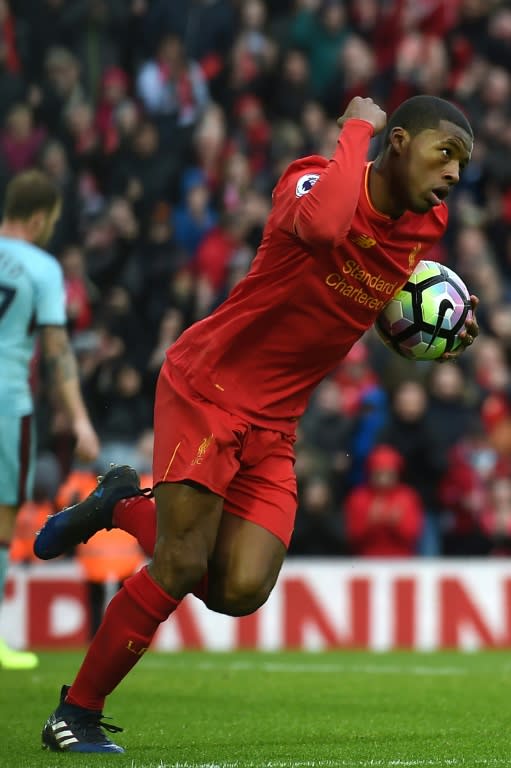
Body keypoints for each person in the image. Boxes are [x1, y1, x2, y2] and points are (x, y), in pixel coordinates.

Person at [34, 95, 478, 753]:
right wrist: (355, 128)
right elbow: (327, 232)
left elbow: (367, 293)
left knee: (240, 589)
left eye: (462, 165)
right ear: (399, 141)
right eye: (444, 154)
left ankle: (121, 507)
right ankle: (75, 713)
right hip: (209, 389)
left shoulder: (425, 225)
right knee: (181, 562)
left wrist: (428, 332)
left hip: (276, 419)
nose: (451, 176)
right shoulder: (310, 178)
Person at [0, 169, 100, 670]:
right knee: (2, 514)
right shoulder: (41, 267)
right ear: (39, 219)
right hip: (7, 399)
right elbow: (57, 350)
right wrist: (80, 420)